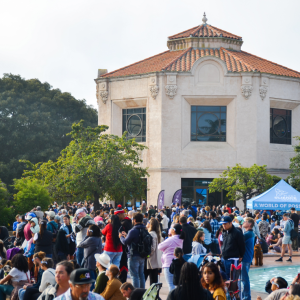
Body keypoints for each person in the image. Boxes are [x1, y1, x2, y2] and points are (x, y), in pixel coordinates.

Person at [119, 213, 147, 289]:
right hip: (142, 255)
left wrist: (121, 237)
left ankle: (136, 294)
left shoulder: (133, 230)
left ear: (134, 220)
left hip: (133, 255)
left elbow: (125, 242)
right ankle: (142, 292)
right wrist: (127, 235)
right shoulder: (144, 229)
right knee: (141, 275)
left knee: (134, 276)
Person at [158, 224, 185, 292]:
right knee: (176, 284)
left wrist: (165, 249)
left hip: (168, 263)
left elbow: (160, 247)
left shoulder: (171, 239)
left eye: (171, 228)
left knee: (171, 284)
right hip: (178, 262)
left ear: (174, 230)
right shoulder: (180, 239)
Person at [241, 217, 255, 300]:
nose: (243, 222)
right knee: (244, 278)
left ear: (250, 224)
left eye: (245, 221)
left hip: (245, 258)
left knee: (245, 279)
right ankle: (245, 296)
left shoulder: (247, 234)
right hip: (248, 258)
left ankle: (246, 297)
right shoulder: (250, 233)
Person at [144, 219, 162, 285]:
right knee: (154, 280)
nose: (147, 223)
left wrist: (147, 255)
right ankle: (154, 295)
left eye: (148, 222)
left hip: (150, 259)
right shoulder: (158, 234)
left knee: (144, 277)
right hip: (155, 260)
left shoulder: (151, 234)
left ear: (151, 225)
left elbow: (152, 248)